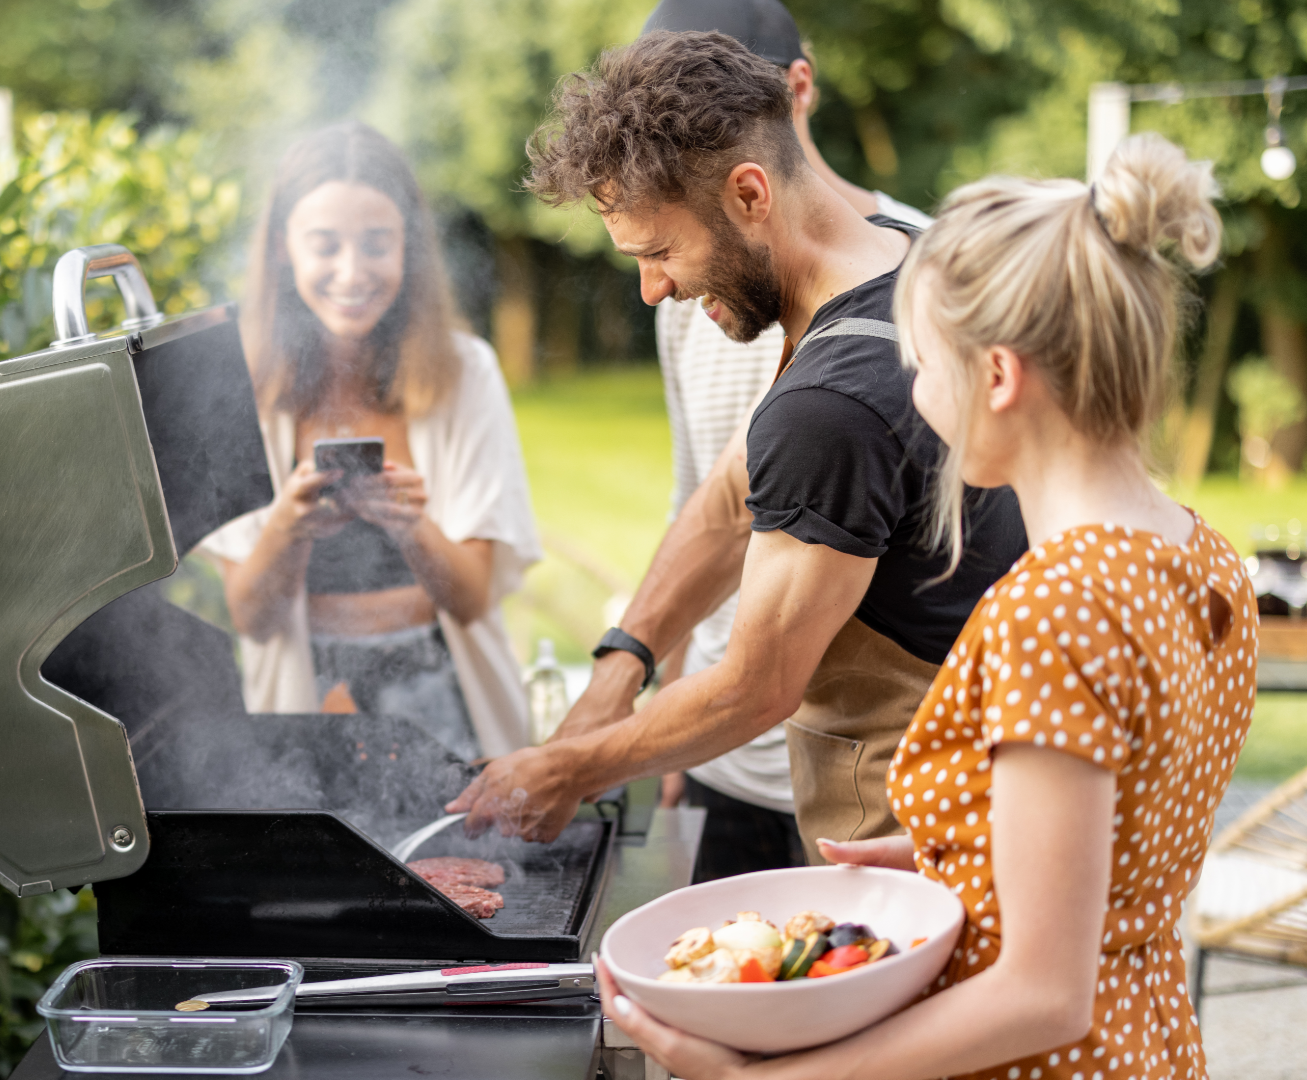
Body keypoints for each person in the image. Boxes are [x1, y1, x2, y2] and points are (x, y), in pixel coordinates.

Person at [596, 132, 1255, 1080]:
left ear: (996, 376)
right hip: (1148, 1042)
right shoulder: (1200, 557)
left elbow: (1041, 992)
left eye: (921, 361)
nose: (911, 389)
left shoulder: (1054, 609)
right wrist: (957, 853)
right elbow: (1128, 826)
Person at [447, 31, 1028, 849]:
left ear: (751, 194)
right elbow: (730, 500)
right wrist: (616, 674)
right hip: (1001, 809)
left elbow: (754, 689)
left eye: (659, 252)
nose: (655, 291)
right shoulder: (912, 263)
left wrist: (566, 772)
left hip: (930, 849)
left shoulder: (829, 405)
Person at [642, 0, 934, 880]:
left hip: (886, 768)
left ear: (796, 88)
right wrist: (653, 697)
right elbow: (703, 490)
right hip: (721, 753)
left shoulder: (931, 267)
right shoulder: (688, 277)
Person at [199, 121, 541, 762]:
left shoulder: (466, 372)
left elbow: (470, 600)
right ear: (282, 247)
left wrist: (410, 525)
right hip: (303, 709)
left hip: (446, 701)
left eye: (377, 244)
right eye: (324, 245)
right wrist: (288, 528)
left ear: (408, 245)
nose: (352, 273)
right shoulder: (235, 387)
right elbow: (252, 617)